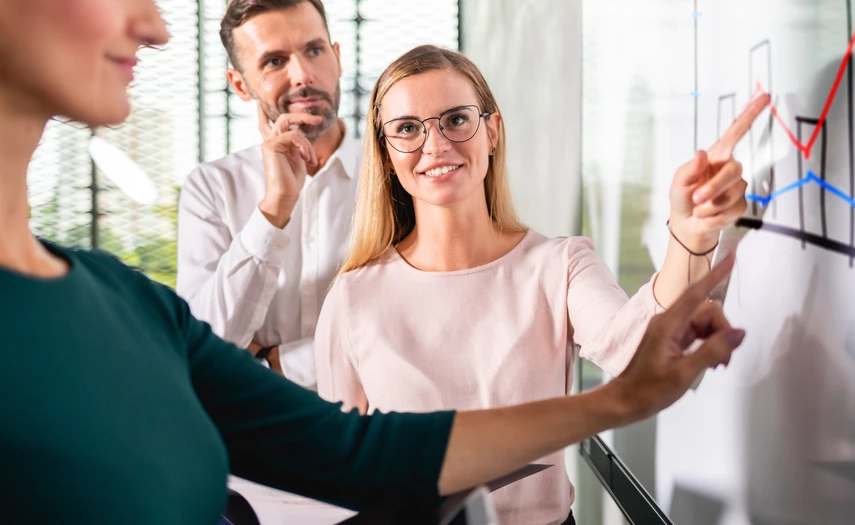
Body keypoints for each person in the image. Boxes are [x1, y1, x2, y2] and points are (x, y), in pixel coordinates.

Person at [0, 0, 746, 523]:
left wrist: (631, 367)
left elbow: (355, 450)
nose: (155, 24)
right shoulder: (231, 225)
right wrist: (275, 215)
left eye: (315, 49)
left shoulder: (125, 305)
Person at [315, 45, 769, 524]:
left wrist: (690, 233)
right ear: (386, 153)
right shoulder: (353, 298)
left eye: (455, 119)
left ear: (491, 131)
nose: (435, 145)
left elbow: (637, 350)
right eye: (408, 128)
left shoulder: (559, 266)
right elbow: (338, 468)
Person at [176, 0, 356, 387]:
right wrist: (275, 207)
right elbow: (204, 346)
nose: (303, 75)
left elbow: (416, 320)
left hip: (377, 425)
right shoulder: (210, 188)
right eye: (274, 61)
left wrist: (279, 365)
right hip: (254, 439)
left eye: (315, 50)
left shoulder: (398, 174)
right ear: (241, 85)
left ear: (338, 57)